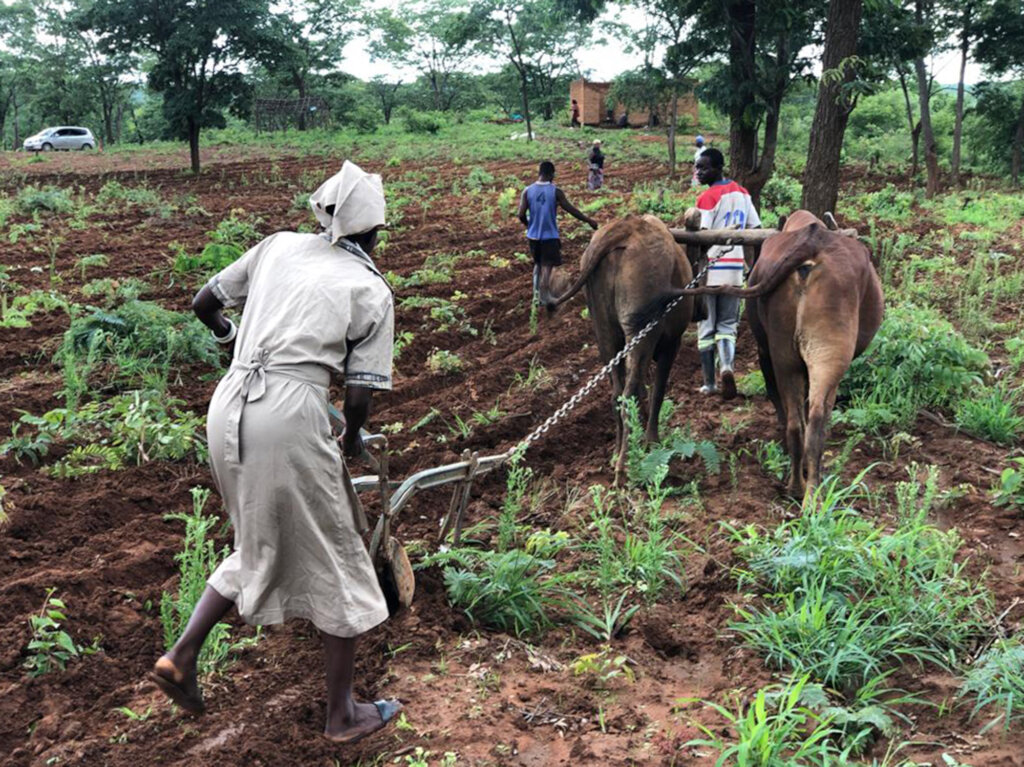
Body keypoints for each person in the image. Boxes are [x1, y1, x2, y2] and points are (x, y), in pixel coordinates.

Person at [151, 160, 403, 745]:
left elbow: (203, 302)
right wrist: (354, 435)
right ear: (375, 233)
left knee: (258, 538)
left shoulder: (278, 246)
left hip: (229, 401)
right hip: (288, 415)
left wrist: (235, 344)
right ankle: (342, 715)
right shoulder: (369, 288)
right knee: (342, 552)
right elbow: (359, 394)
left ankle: (181, 656)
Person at [694, 147, 761, 399]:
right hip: (734, 270)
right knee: (727, 324)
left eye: (704, 167)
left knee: (706, 327)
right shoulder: (743, 193)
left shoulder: (708, 198)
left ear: (718, 167)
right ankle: (727, 367)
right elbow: (755, 229)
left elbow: (701, 236)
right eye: (697, 167)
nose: (698, 172)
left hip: (709, 271)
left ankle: (710, 384)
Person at [517, 160, 598, 306]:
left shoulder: (527, 191)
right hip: (549, 236)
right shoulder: (555, 192)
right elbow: (571, 210)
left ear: (539, 173)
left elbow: (520, 214)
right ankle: (545, 296)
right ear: (552, 174)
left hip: (533, 236)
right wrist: (589, 220)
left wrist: (529, 226)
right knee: (547, 266)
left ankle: (536, 295)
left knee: (538, 264)